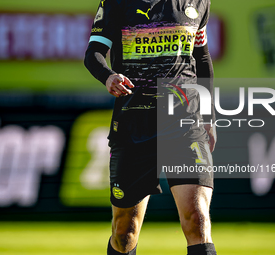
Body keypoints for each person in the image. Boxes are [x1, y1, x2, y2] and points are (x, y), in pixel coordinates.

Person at [85, 0, 217, 254]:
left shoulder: (198, 2)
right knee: (125, 232)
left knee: (197, 220)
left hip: (185, 125)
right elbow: (94, 53)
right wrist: (108, 76)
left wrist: (209, 117)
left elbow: (201, 58)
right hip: (134, 125)